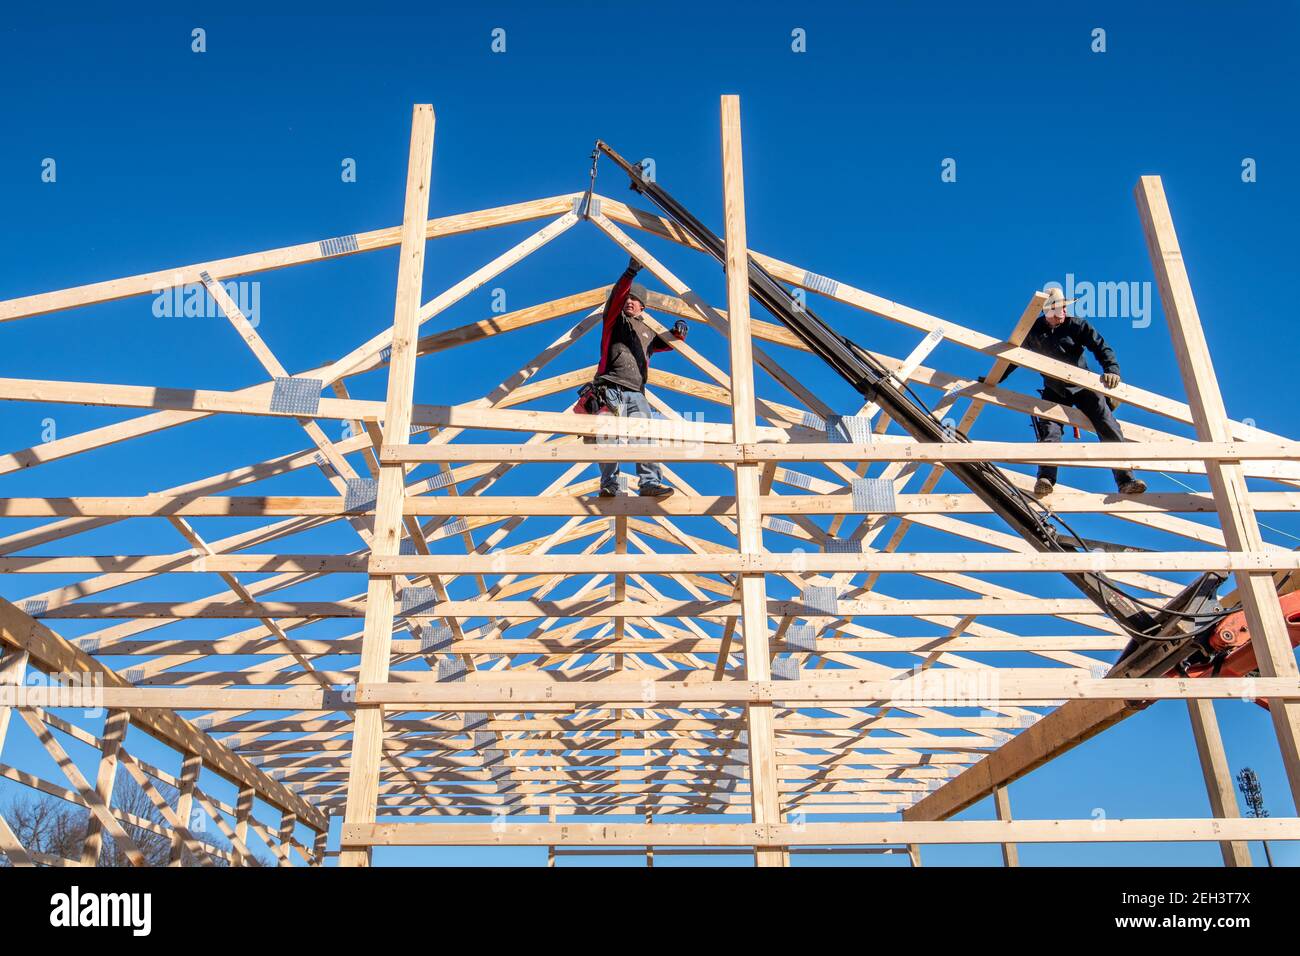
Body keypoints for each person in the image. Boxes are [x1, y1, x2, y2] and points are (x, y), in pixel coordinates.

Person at [998, 289, 1147, 497]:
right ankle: (1046, 478)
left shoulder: (1077, 325)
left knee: (1108, 425)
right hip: (1054, 389)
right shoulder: (1033, 332)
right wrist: (994, 379)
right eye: (1059, 308)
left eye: (1065, 307)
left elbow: (1101, 347)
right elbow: (1014, 358)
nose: (1064, 311)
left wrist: (1111, 370)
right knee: (1050, 430)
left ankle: (1125, 480)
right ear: (1048, 311)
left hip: (1083, 386)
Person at [591, 256, 688, 498]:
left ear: (643, 306)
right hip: (610, 388)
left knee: (644, 434)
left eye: (635, 299)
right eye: (628, 298)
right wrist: (630, 273)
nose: (630, 302)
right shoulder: (615, 321)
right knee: (607, 436)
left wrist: (678, 331)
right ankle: (609, 485)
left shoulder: (647, 330)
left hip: (636, 392)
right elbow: (615, 298)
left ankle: (649, 483)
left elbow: (667, 343)